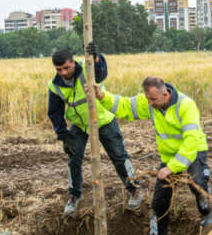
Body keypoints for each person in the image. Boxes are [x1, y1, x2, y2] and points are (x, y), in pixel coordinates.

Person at [97, 76, 212, 235]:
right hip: (168, 158)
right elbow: (124, 106)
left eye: (153, 99)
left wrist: (172, 168)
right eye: (148, 99)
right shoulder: (150, 103)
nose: (150, 103)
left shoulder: (186, 105)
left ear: (165, 94)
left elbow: (190, 141)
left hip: (192, 153)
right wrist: (102, 97)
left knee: (197, 184)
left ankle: (207, 211)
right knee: (159, 204)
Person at [48, 44, 142, 216]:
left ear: (73, 62)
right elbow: (54, 112)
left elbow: (101, 73)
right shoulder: (55, 85)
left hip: (104, 119)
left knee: (119, 156)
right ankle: (74, 196)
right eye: (58, 69)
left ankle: (134, 189)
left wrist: (96, 56)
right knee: (73, 159)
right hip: (80, 125)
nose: (62, 72)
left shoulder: (87, 67)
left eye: (66, 68)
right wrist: (63, 135)